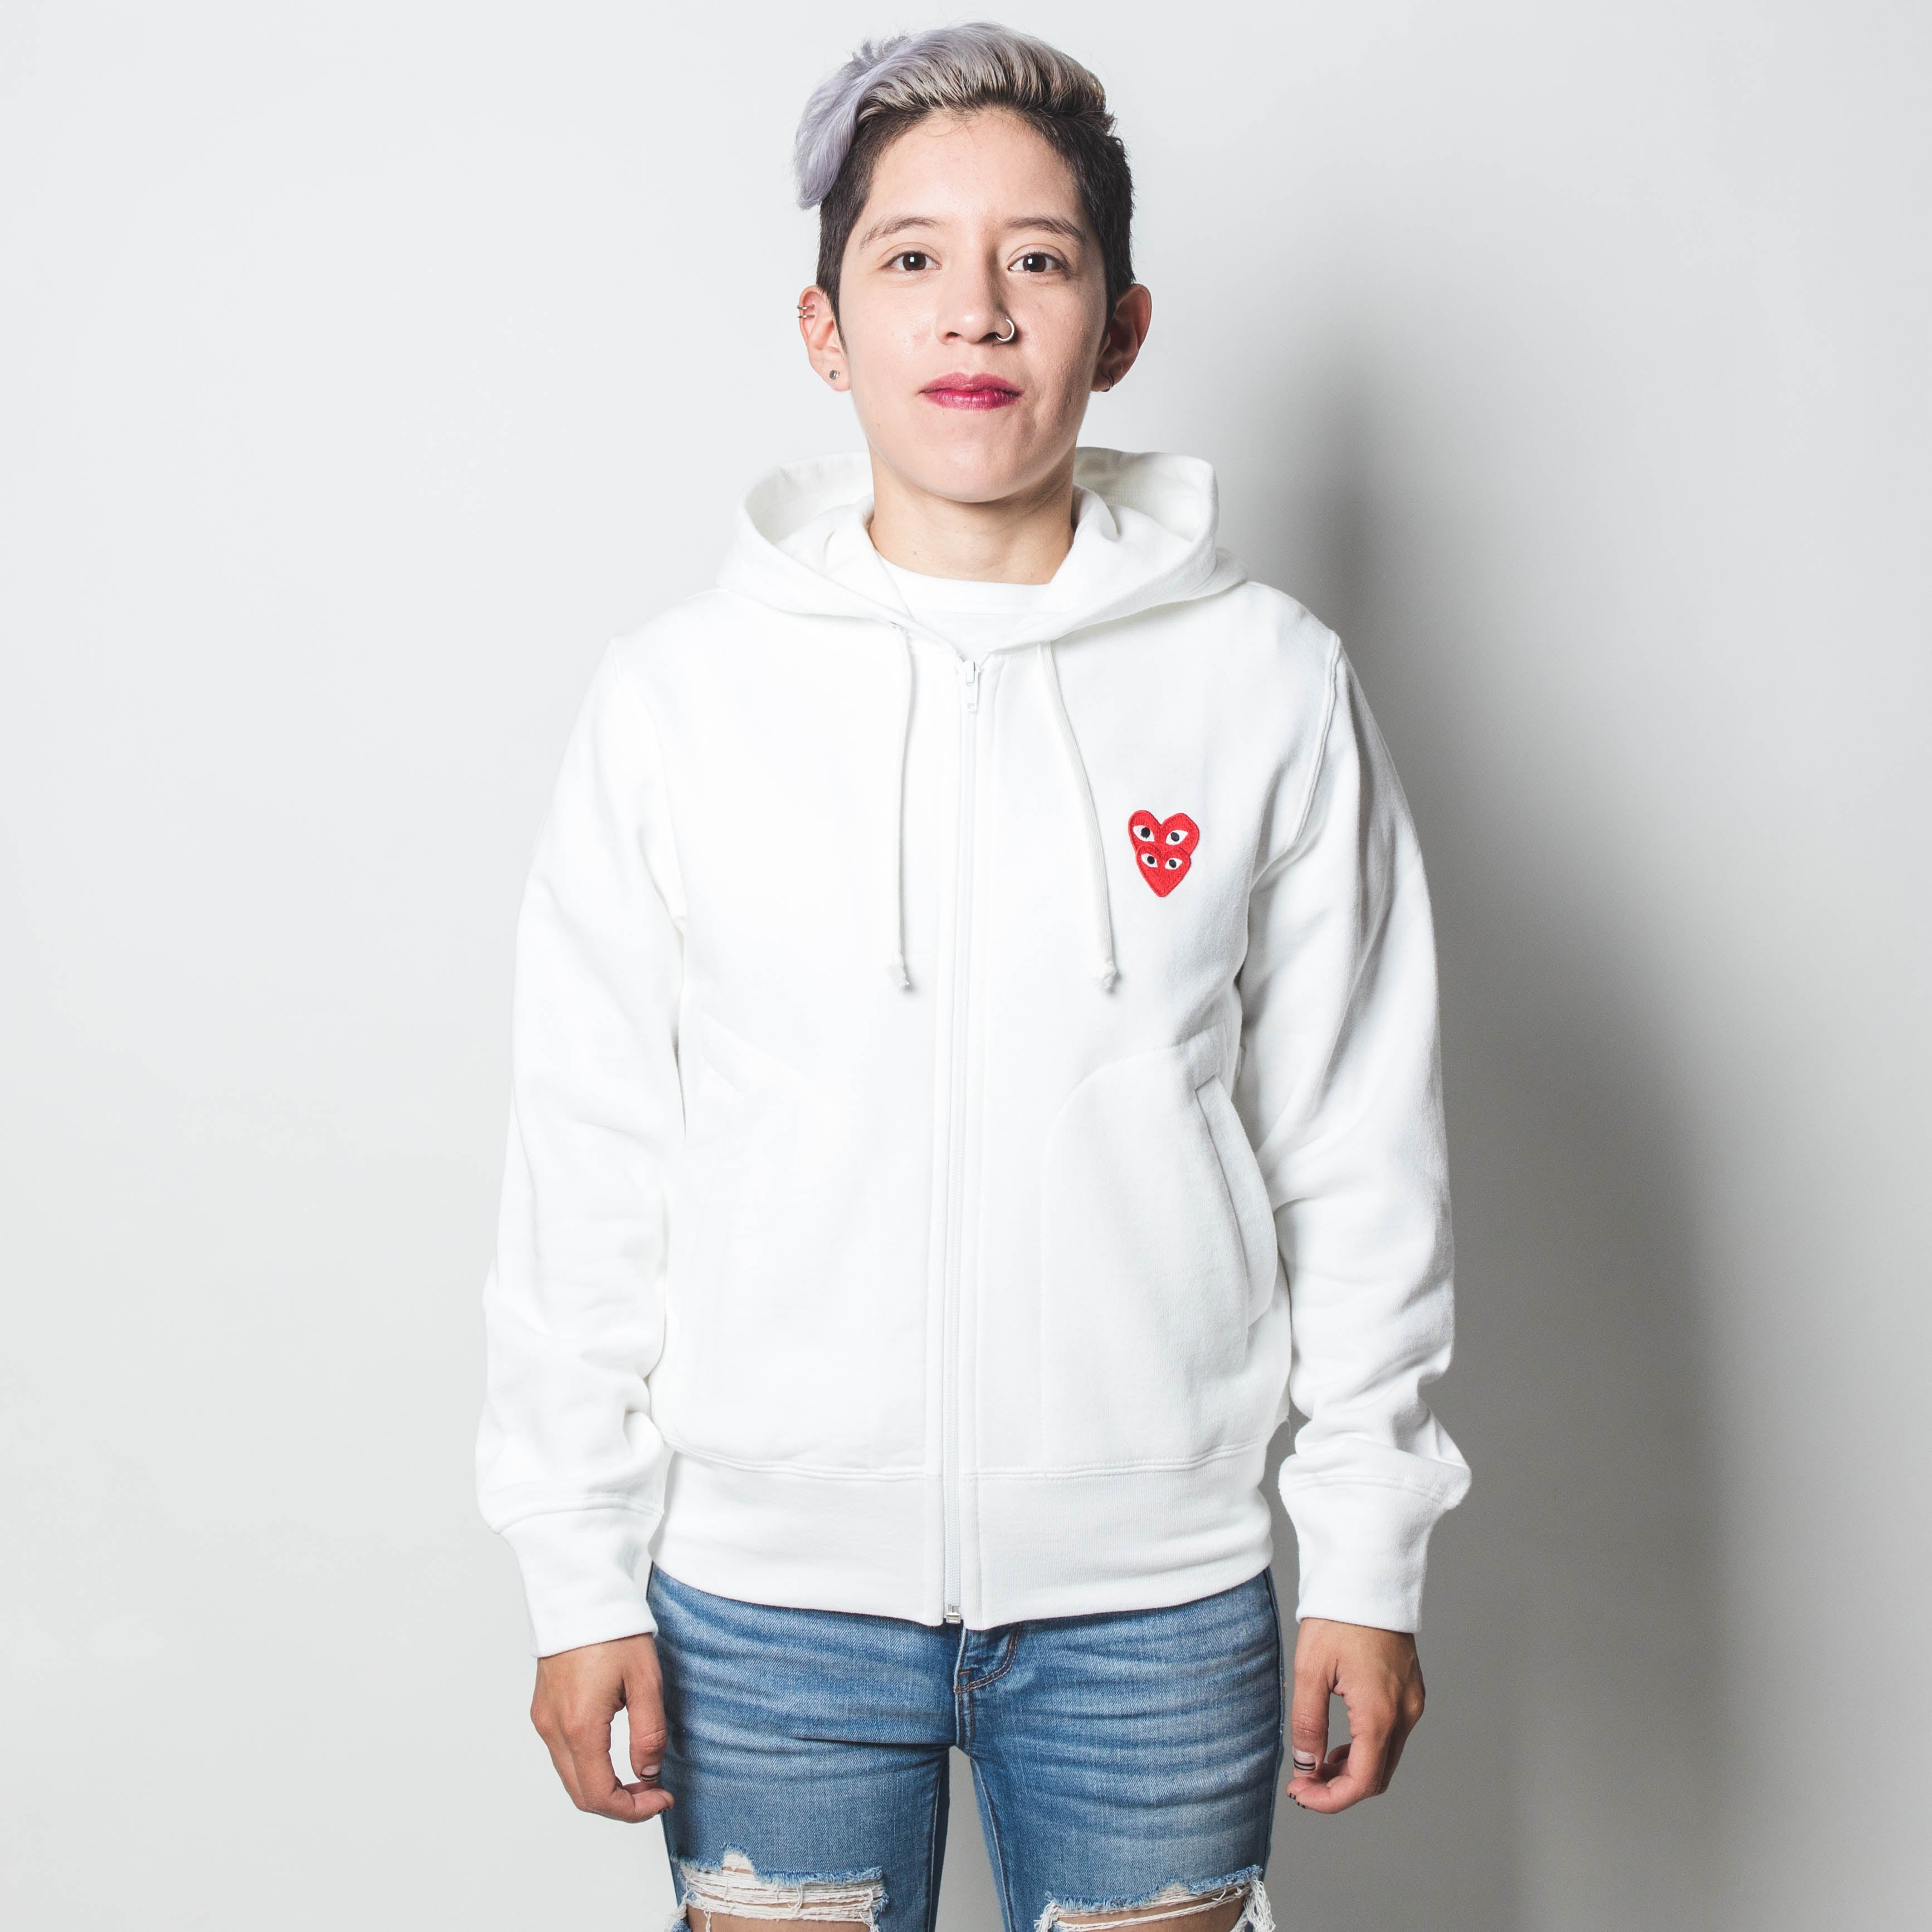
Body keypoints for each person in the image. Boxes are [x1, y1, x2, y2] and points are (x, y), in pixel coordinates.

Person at [476, 23, 1470, 1932]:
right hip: (762, 1603)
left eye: (1038, 257)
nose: (977, 309)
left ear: (1120, 324)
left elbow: (1358, 1146)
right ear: (824, 326)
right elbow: (588, 1153)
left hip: (1154, 1601)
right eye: (912, 255)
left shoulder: (1265, 683)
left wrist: (1366, 1550)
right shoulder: (679, 699)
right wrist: (576, 1568)